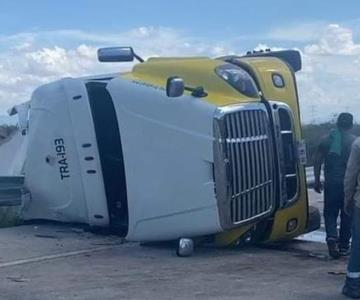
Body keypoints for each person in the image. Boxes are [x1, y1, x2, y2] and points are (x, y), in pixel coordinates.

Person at [313, 113, 355, 259]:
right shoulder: (354, 142)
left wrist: (317, 180)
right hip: (348, 184)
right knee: (347, 214)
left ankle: (331, 238)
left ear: (337, 123)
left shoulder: (325, 140)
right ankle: (344, 246)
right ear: (350, 125)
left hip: (331, 184)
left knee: (330, 212)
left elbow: (317, 161)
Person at [342, 137, 360, 298]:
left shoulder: (358, 143)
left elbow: (351, 174)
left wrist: (348, 199)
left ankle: (353, 285)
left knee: (358, 245)